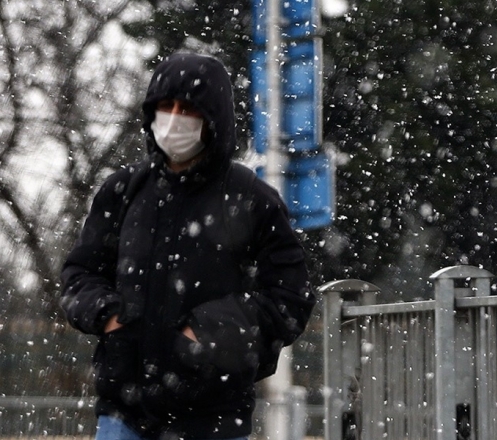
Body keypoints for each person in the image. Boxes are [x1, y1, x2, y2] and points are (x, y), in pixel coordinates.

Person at [60, 53, 315, 440]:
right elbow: (79, 274)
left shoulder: (251, 199)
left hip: (214, 421)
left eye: (188, 109)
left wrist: (208, 332)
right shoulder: (122, 192)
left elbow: (290, 298)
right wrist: (109, 315)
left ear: (214, 120)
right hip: (124, 417)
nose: (174, 118)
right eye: (166, 106)